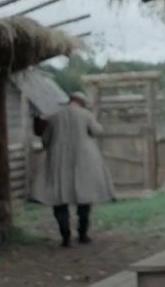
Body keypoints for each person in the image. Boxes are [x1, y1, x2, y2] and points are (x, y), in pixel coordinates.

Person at [31, 91, 116, 247]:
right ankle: (83, 234)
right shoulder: (86, 115)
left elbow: (45, 140)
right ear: (82, 103)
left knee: (59, 198)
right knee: (84, 198)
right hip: (83, 161)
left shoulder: (55, 117)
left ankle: (66, 237)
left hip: (58, 161)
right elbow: (97, 131)